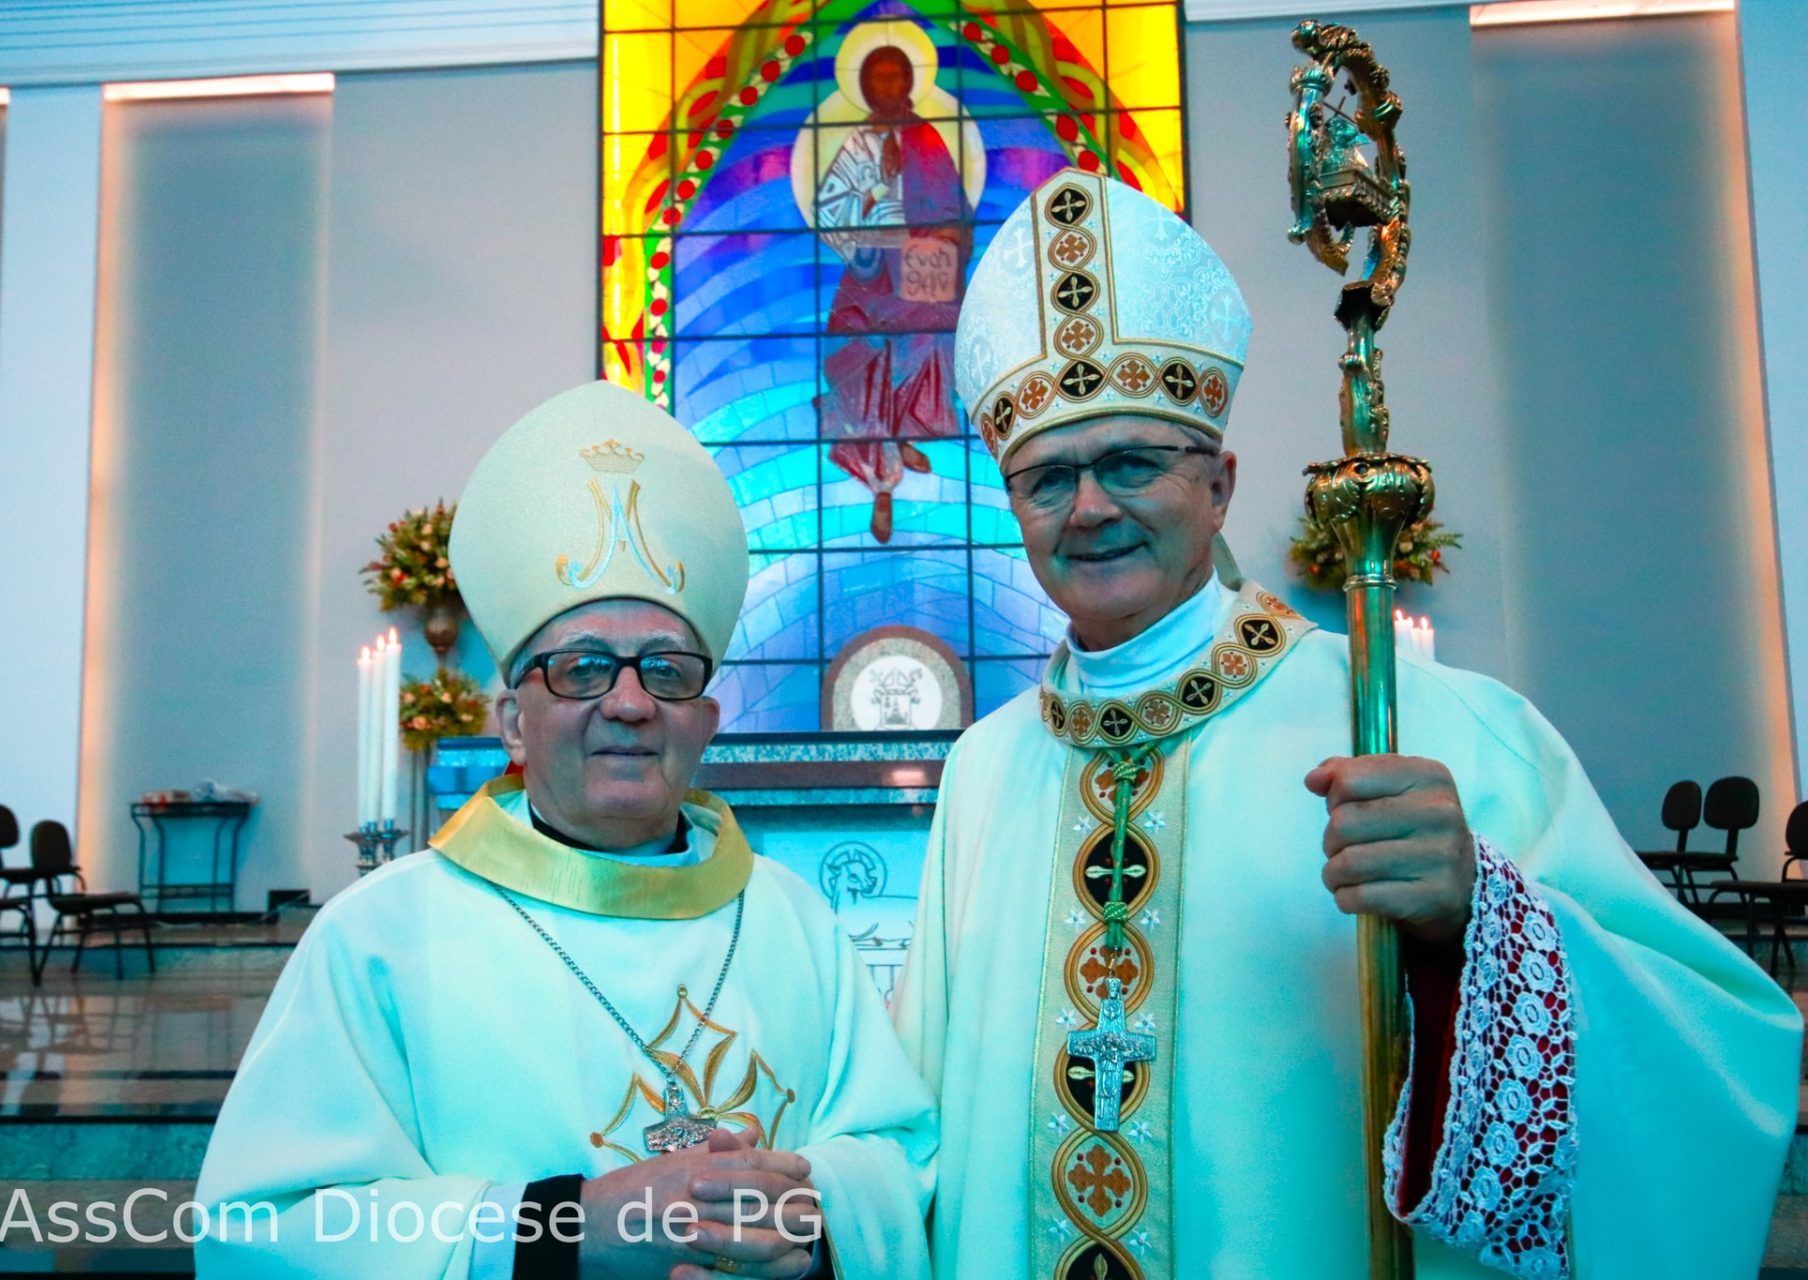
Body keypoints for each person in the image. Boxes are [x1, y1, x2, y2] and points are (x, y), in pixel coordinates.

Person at [891, 169, 1801, 1278]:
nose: (1088, 507)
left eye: (1131, 461)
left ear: (1218, 483)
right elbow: (915, 1115)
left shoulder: (1420, 725)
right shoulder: (985, 771)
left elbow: (1721, 1044)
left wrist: (1476, 923)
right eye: (1046, 479)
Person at [196, 381, 935, 1279]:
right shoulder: (382, 936)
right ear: (512, 721)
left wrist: (810, 1230)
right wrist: (566, 1227)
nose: (628, 702)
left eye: (666, 669)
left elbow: (906, 1160)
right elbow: (264, 1226)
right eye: (583, 668)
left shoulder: (796, 922)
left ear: (704, 718)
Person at [813, 42, 971, 543]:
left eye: (894, 77)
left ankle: (901, 439)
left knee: (925, 338)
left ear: (907, 83)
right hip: (870, 270)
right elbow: (830, 212)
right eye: (876, 78)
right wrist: (874, 197)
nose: (887, 87)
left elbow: (955, 209)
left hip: (923, 269)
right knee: (858, 355)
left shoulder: (927, 138)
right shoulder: (858, 145)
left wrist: (947, 234)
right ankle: (882, 479)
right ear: (865, 88)